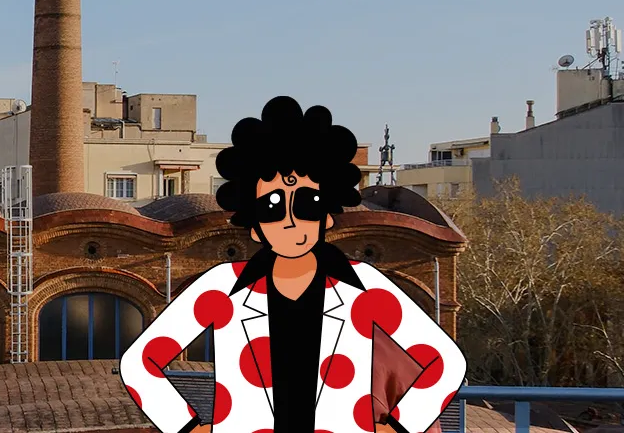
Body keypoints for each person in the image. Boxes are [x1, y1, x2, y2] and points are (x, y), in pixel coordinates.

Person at [118, 96, 464, 433]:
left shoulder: (364, 287)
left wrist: (400, 425)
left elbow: (445, 363)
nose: (290, 220)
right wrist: (190, 427)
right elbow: (140, 364)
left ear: (326, 217)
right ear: (254, 225)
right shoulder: (222, 287)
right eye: (271, 207)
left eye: (307, 204)